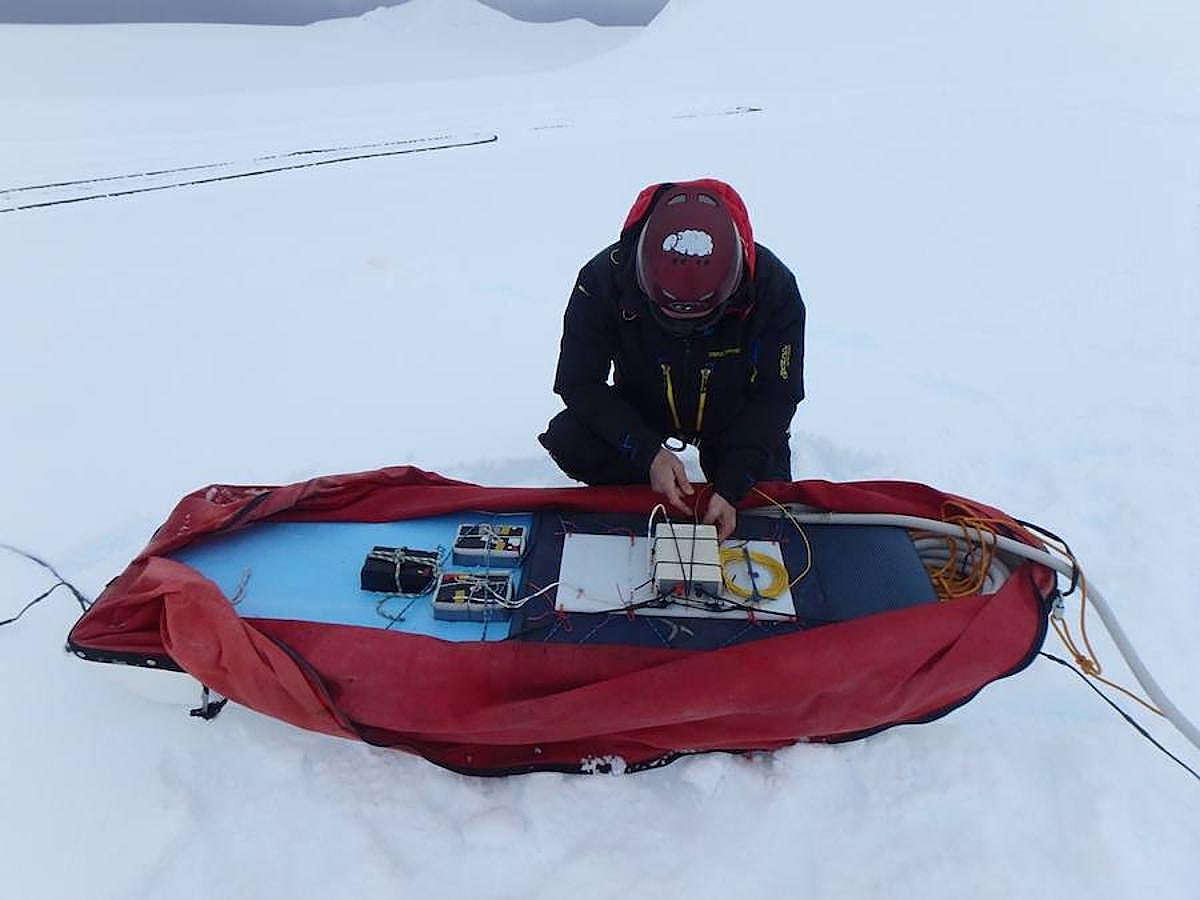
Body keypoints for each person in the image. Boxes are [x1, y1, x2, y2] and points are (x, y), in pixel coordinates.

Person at [538, 178, 806, 540]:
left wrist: (731, 486)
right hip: (643, 408)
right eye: (668, 317)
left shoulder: (774, 287)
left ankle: (722, 487)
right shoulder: (602, 281)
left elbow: (777, 396)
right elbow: (578, 382)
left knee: (764, 502)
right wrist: (648, 452)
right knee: (569, 438)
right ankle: (649, 499)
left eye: (700, 321)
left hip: (732, 417)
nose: (683, 328)